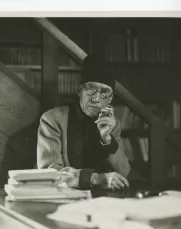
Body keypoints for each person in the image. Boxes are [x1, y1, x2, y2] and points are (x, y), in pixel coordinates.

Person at [37, 55, 131, 190]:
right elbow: (49, 173)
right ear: (79, 91)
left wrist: (107, 140)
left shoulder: (113, 123)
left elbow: (123, 173)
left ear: (110, 99)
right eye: (91, 89)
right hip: (64, 194)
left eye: (105, 92)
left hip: (102, 198)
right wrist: (95, 178)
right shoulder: (52, 119)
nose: (96, 99)